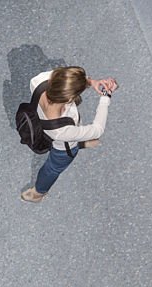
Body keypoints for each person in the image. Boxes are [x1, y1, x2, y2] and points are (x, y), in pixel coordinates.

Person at [21, 66, 117, 202]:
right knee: (53, 168)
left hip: (43, 125)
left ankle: (81, 142)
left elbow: (61, 77)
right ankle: (38, 192)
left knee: (77, 135)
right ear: (70, 98)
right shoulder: (62, 131)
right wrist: (105, 98)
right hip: (64, 146)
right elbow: (97, 130)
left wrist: (92, 82)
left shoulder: (38, 81)